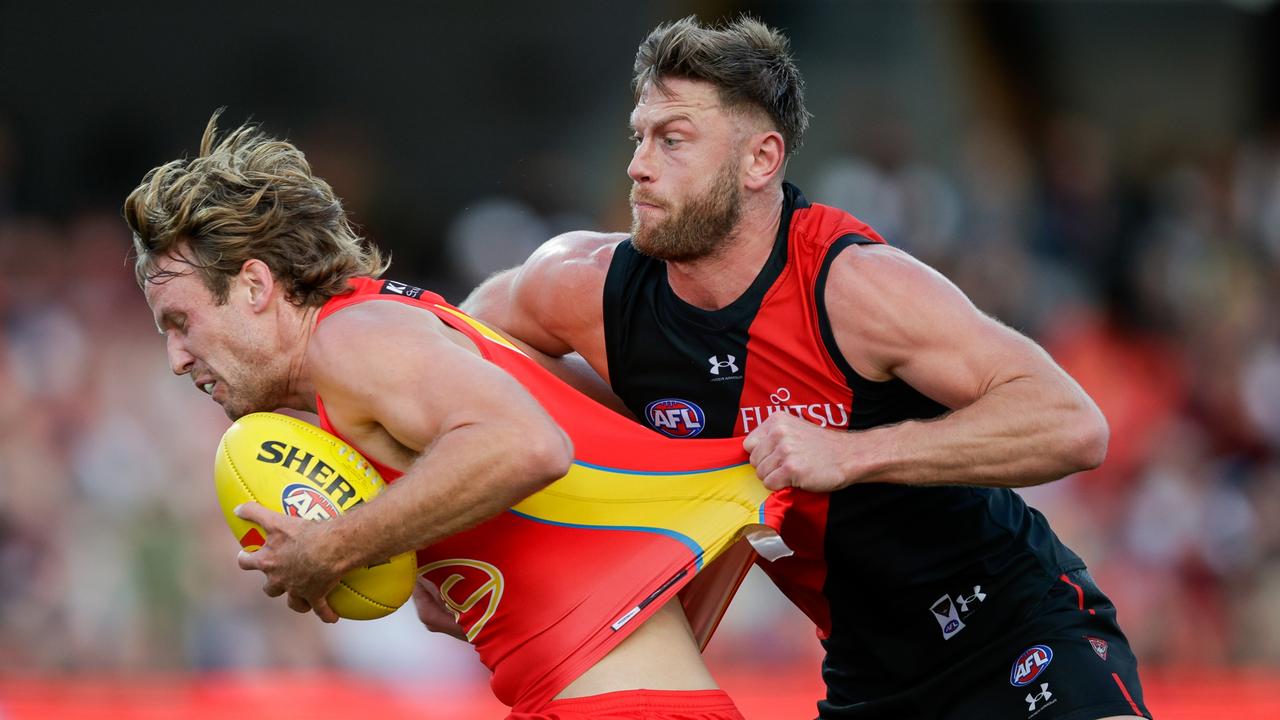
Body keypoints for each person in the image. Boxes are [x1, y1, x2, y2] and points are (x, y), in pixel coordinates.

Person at [461, 15, 1151, 720]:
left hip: (1016, 629)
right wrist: (453, 530)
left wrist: (851, 453)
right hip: (868, 675)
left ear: (761, 160)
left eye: (673, 140)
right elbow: (451, 347)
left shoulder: (854, 286)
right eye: (639, 136)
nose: (638, 163)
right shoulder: (583, 285)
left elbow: (1073, 425)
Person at [124, 114, 792, 719]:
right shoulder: (375, 335)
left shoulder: (348, 340)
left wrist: (338, 545)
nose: (178, 359)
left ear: (253, 285)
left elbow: (527, 445)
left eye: (181, 323)